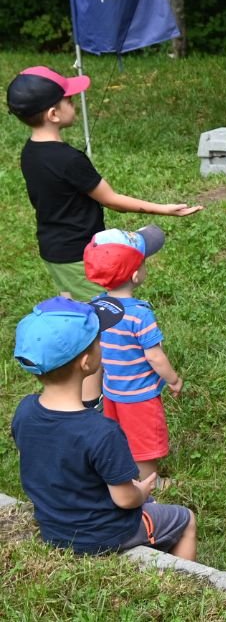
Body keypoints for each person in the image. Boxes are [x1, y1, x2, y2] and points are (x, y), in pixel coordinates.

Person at [8, 65, 202, 406]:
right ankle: (88, 404)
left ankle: (84, 392)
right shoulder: (68, 160)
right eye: (68, 98)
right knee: (95, 326)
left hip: (55, 251)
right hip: (80, 253)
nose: (74, 102)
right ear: (54, 113)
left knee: (79, 307)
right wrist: (164, 208)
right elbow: (112, 200)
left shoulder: (29, 152)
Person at [11, 296, 196, 559]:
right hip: (105, 534)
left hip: (53, 528)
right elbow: (125, 499)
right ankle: (185, 582)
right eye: (99, 339)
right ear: (86, 362)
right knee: (185, 519)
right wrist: (141, 491)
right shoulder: (102, 431)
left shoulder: (25, 410)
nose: (102, 343)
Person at [85, 227, 182, 485]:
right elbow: (155, 357)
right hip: (139, 394)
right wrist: (173, 379)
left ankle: (117, 470)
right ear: (137, 275)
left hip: (112, 390)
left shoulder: (96, 306)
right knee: (144, 440)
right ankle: (149, 481)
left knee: (120, 434)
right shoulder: (140, 315)